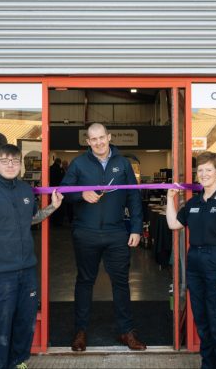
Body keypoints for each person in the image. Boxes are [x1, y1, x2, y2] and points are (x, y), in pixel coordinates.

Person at [0, 144, 63, 369]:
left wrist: (52, 208)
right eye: (5, 161)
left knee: (24, 323)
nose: (11, 165)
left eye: (15, 161)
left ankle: (18, 363)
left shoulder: (25, 190)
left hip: (27, 270)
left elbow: (30, 220)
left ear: (20, 165)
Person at [60, 123, 146, 351]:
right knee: (85, 282)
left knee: (121, 283)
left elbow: (134, 197)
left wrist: (136, 228)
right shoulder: (79, 163)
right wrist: (81, 194)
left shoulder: (123, 163)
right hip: (85, 232)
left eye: (102, 138)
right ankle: (80, 331)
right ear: (88, 142)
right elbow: (62, 193)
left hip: (116, 232)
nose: (98, 142)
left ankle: (126, 332)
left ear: (109, 137)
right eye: (93, 139)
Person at [166, 151, 216, 369]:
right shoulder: (194, 203)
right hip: (196, 263)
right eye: (200, 170)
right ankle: (208, 365)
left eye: (209, 169)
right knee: (202, 321)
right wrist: (171, 200)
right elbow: (174, 224)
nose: (204, 173)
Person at [49, 157, 65, 226]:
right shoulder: (60, 169)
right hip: (59, 190)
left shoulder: (50, 168)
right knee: (59, 206)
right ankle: (58, 222)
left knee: (52, 204)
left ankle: (52, 221)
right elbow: (63, 179)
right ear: (59, 162)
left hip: (50, 189)